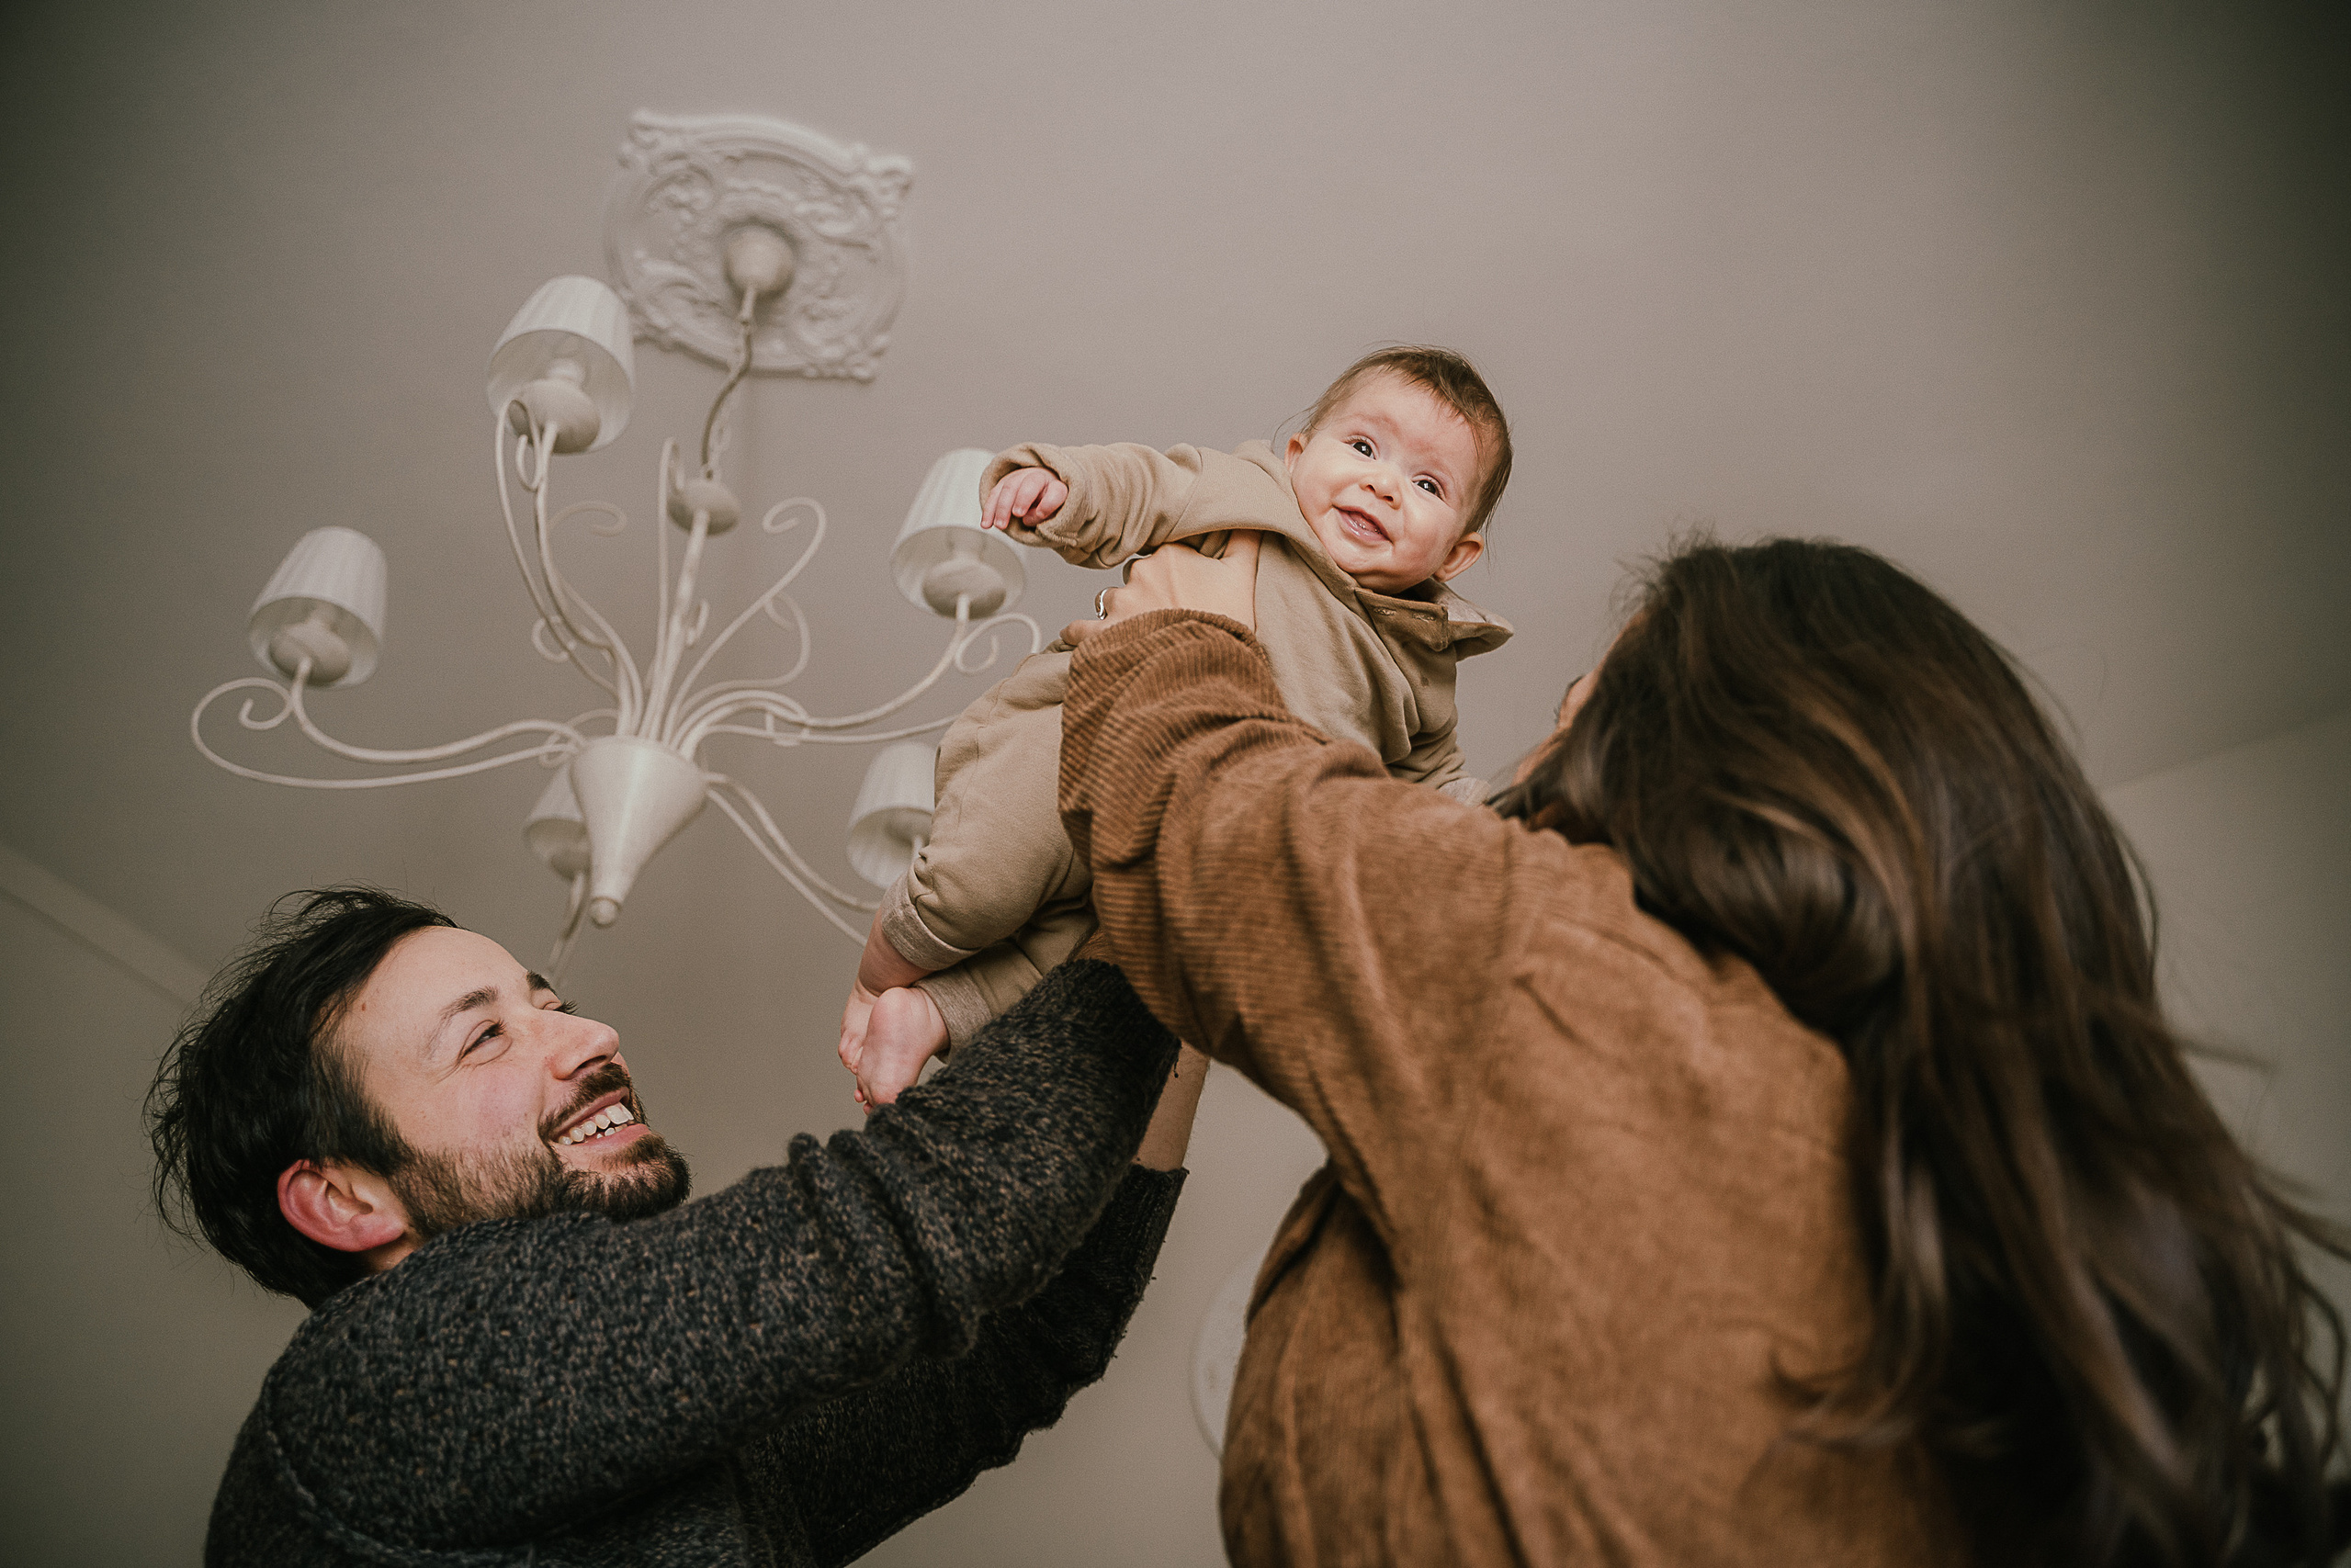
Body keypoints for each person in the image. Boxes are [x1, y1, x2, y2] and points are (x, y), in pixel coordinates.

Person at [1055, 533, 2349, 1565]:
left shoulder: (1568, 965)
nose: (1528, 763)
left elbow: (1191, 794)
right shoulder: (1979, 1197)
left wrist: (1185, 607)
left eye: (1583, 717)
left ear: (1699, 760)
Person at [146, 887, 1207, 1567]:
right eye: (484, 1039)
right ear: (344, 1200)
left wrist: (1184, 956)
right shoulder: (370, 1390)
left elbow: (1020, 1345)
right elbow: (932, 1217)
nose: (592, 1035)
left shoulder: (659, 1459)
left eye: (549, 1000)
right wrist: (1179, 858)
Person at [840, 346, 1515, 1108]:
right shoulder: (1247, 498)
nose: (1382, 484)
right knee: (979, 885)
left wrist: (1484, 827)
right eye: (1362, 447)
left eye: (1426, 484)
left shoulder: (1420, 661)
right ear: (1298, 455)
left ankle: (926, 1014)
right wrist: (1061, 485)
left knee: (1085, 963)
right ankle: (876, 980)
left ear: (1457, 552)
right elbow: (1142, 486)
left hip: (1192, 843)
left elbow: (1425, 788)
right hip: (1078, 735)